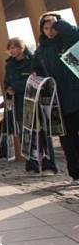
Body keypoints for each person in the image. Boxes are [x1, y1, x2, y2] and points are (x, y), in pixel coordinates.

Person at [33, 12, 79, 184]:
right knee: (68, 141)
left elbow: (75, 33)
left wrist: (59, 22)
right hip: (58, 104)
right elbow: (36, 72)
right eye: (46, 28)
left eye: (53, 27)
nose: (50, 31)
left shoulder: (68, 40)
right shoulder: (40, 51)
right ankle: (75, 173)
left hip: (76, 94)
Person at [5, 37, 53, 174]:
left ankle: (47, 164)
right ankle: (31, 165)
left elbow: (35, 79)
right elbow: (7, 81)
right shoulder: (9, 65)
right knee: (25, 135)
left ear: (22, 47)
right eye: (10, 48)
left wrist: (16, 86)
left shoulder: (33, 60)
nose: (12, 51)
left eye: (14, 47)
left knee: (42, 133)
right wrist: (8, 88)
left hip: (35, 101)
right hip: (20, 103)